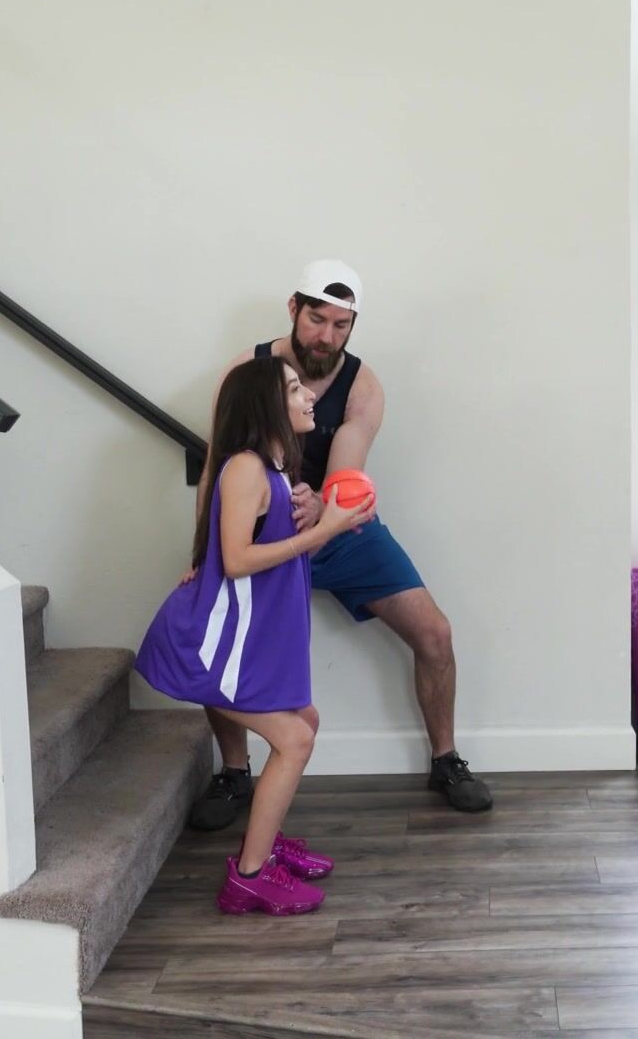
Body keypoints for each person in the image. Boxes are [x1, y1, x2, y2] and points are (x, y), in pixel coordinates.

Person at [186, 259, 495, 829]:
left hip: (337, 527)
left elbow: (344, 479)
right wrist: (203, 555)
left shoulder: (363, 385)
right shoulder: (247, 372)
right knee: (216, 636)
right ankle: (233, 772)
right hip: (259, 533)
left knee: (435, 634)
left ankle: (445, 760)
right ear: (293, 308)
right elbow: (215, 468)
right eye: (316, 320)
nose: (325, 337)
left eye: (340, 325)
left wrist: (322, 509)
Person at [136, 355, 375, 916]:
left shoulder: (275, 470)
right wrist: (324, 529)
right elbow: (239, 560)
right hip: (213, 644)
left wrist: (329, 522)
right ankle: (248, 877)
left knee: (304, 724)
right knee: (295, 740)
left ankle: (264, 844)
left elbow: (281, 552)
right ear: (265, 404)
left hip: (243, 641)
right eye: (294, 389)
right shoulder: (245, 467)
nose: (309, 396)